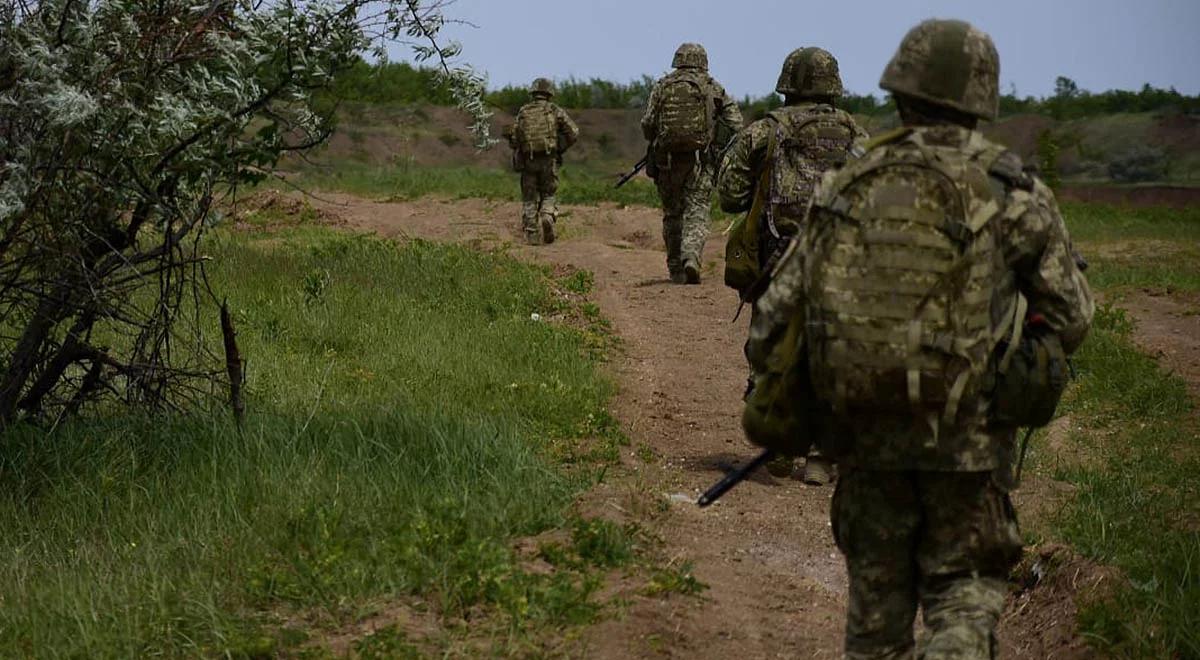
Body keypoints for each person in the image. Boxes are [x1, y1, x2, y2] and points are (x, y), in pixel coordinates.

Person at [744, 19, 1094, 658]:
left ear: (898, 90)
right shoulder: (1016, 194)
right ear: (981, 99)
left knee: (876, 621)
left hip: (864, 441)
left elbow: (772, 319)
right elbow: (1071, 319)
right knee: (962, 594)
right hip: (969, 444)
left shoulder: (848, 185)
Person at [718, 47, 866, 484]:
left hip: (778, 258)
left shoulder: (764, 131)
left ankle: (779, 447)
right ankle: (821, 455)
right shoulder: (857, 135)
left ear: (787, 83)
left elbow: (729, 194)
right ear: (834, 86)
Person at [641, 43, 743, 283]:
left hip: (666, 162)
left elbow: (647, 124)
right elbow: (736, 125)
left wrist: (660, 139)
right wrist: (717, 144)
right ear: (703, 61)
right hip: (700, 162)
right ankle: (691, 258)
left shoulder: (662, 86)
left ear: (677, 59)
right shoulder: (712, 87)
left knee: (672, 214)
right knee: (696, 211)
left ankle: (675, 268)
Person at [503, 78, 579, 245]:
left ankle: (531, 234)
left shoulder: (523, 111)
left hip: (528, 160)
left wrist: (512, 140)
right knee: (549, 193)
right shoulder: (554, 110)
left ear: (533, 92)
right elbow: (574, 132)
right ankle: (547, 216)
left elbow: (515, 139)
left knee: (529, 197)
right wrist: (560, 146)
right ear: (549, 93)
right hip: (549, 159)